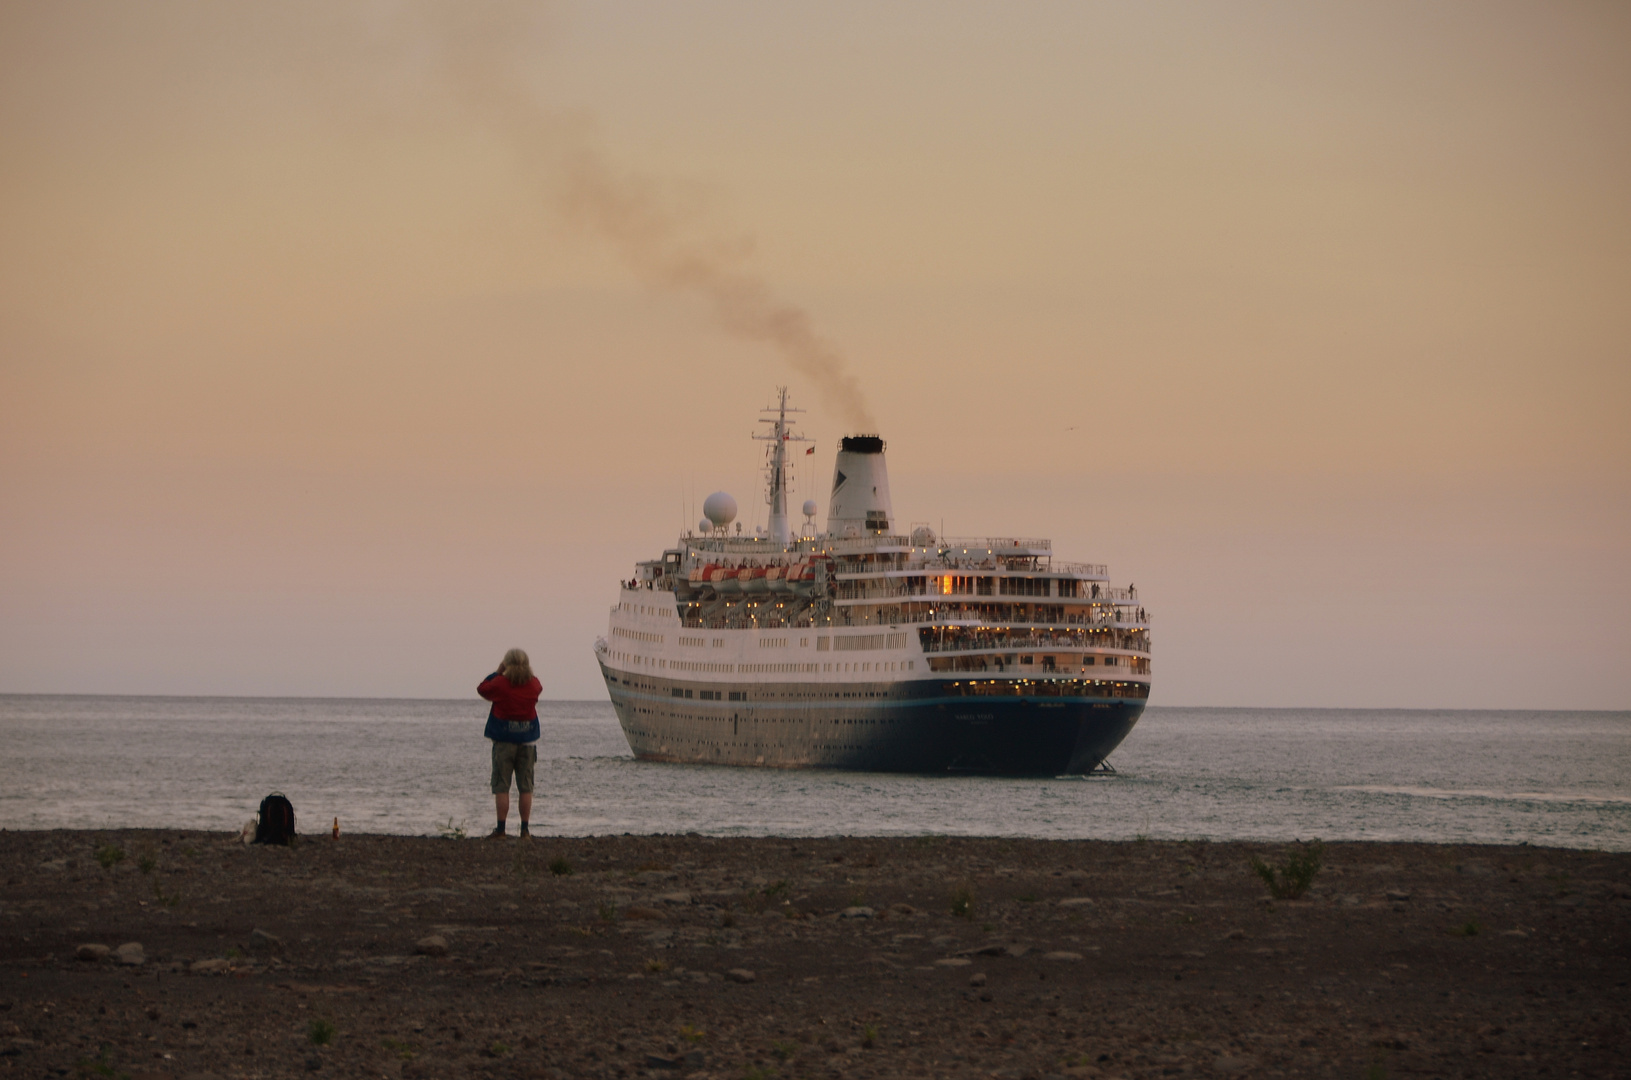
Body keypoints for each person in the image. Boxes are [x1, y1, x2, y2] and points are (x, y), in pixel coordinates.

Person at [477, 648, 542, 839]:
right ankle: (524, 829)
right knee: (526, 786)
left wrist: (498, 671)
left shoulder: (500, 684)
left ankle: (501, 829)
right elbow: (538, 686)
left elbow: (482, 688)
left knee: (502, 786)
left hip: (503, 741)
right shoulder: (533, 685)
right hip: (527, 741)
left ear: (507, 664)